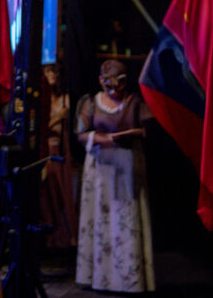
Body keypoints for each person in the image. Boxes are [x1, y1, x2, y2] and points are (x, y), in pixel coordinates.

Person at [75, 59, 155, 293]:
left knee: (125, 220)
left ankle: (129, 278)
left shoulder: (134, 102)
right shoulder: (91, 102)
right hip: (100, 169)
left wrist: (137, 133)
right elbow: (80, 133)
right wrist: (104, 138)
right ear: (101, 81)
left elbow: (150, 126)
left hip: (127, 167)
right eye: (109, 84)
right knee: (101, 219)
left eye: (119, 83)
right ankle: (100, 277)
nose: (115, 90)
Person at [39, 63, 78, 252]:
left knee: (64, 192)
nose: (52, 75)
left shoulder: (65, 99)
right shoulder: (41, 100)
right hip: (46, 150)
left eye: (54, 71)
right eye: (48, 71)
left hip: (61, 150)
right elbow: (40, 128)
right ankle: (51, 237)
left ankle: (67, 236)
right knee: (49, 194)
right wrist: (57, 118)